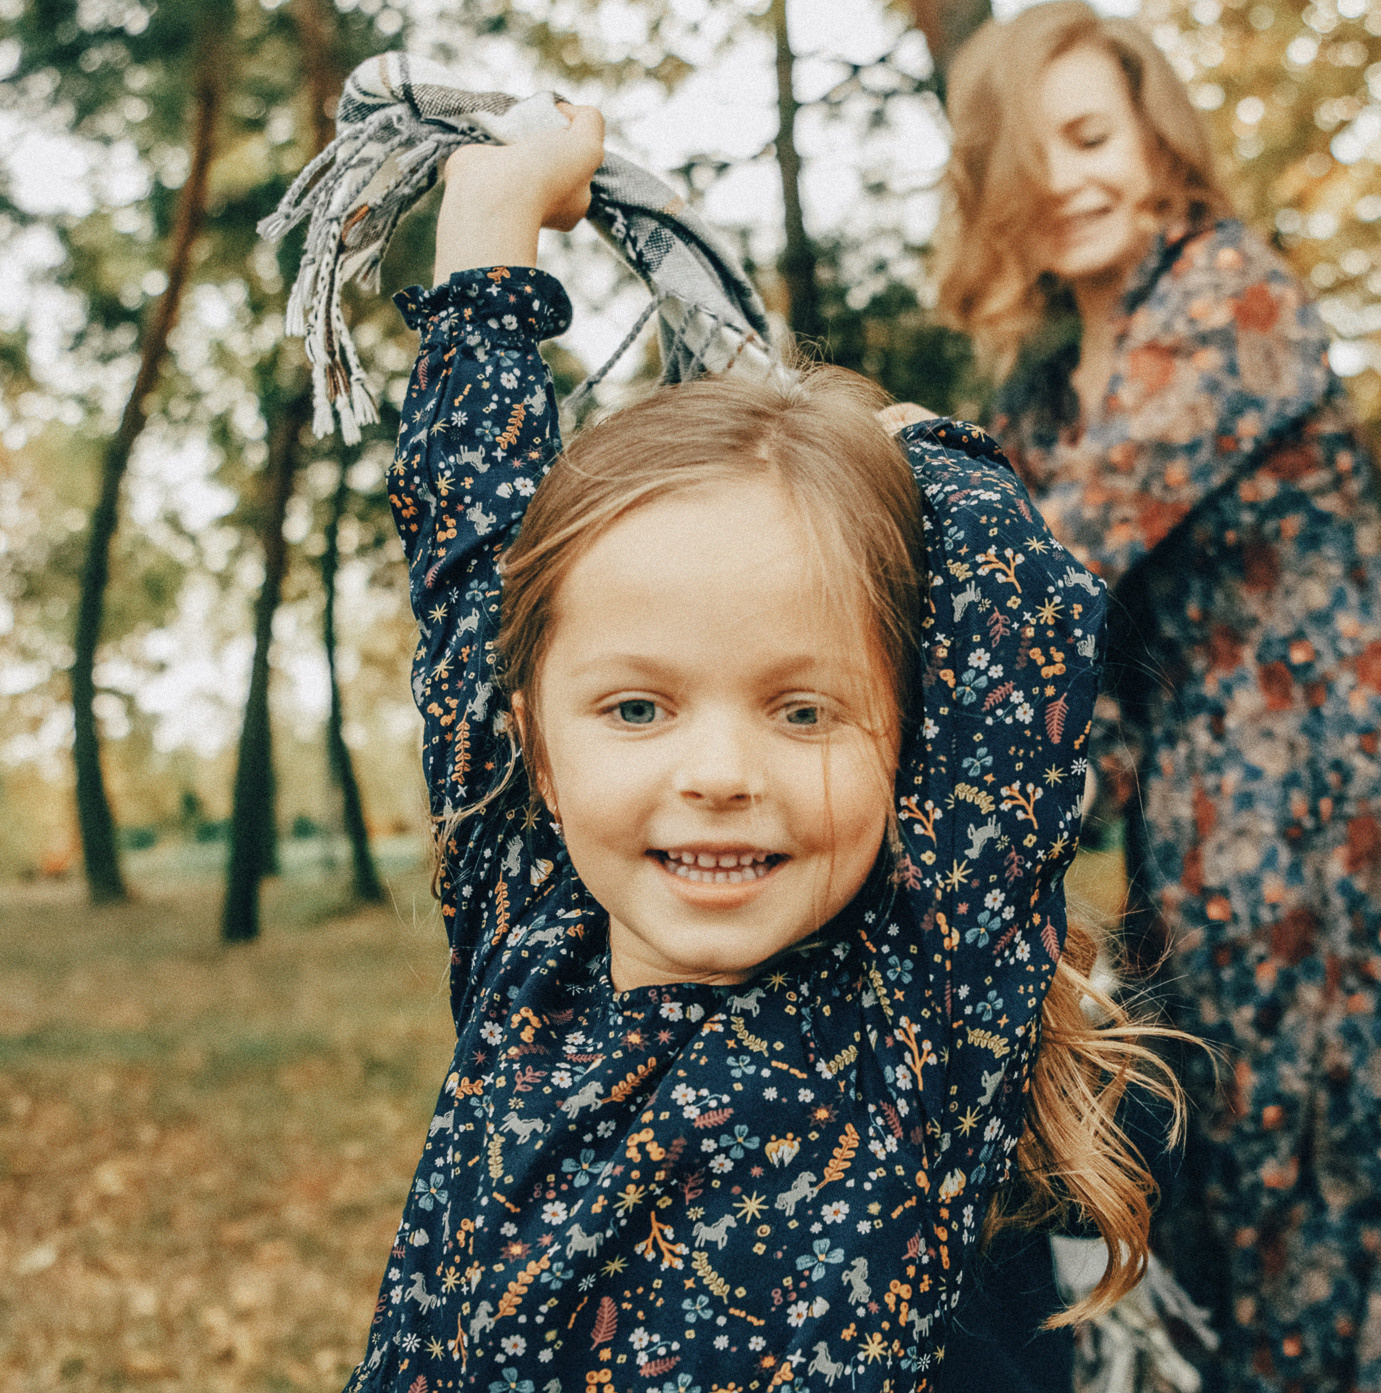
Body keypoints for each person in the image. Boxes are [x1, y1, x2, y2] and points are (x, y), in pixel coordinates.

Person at [344, 101, 1177, 1391]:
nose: (720, 774)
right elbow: (473, 566)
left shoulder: (913, 1011)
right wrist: (491, 224)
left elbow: (1030, 628)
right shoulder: (531, 942)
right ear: (542, 754)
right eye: (638, 709)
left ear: (910, 746)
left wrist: (910, 454)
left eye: (802, 711)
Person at [932, 6, 1381, 1390]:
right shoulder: (1037, 400)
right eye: (1030, 155)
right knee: (1252, 1203)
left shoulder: (1229, 298)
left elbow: (1064, 554)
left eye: (1091, 138)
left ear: (1157, 142)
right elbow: (1087, 690)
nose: (1066, 179)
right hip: (1202, 862)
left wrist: (900, 492)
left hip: (1358, 822)